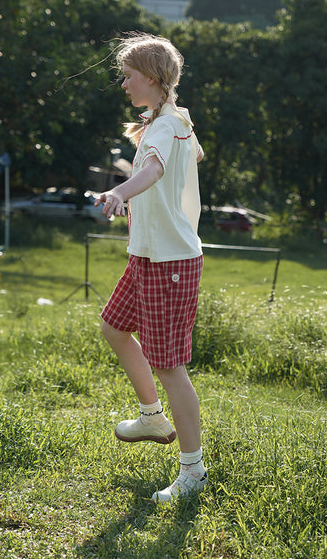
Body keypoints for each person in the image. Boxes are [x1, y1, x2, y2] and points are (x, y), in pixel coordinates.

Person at [94, 33, 207, 503]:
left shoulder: (164, 126)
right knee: (114, 328)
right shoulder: (172, 120)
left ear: (154, 78)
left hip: (171, 260)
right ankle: (151, 417)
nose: (123, 83)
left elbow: (157, 169)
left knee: (170, 366)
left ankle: (193, 470)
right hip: (146, 255)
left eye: (128, 74)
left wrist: (122, 190)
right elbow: (189, 156)